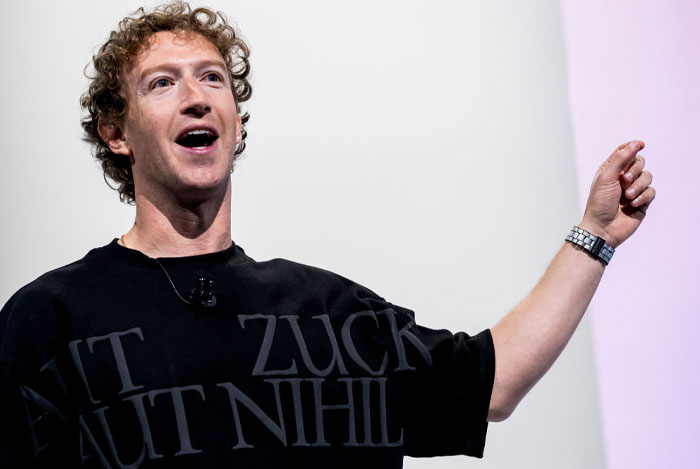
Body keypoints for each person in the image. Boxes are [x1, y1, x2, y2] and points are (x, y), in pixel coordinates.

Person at [0, 2, 655, 468]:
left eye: (212, 78)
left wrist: (595, 234)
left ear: (233, 117)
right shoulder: (50, 321)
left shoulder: (332, 315)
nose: (196, 97)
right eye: (162, 83)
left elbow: (494, 381)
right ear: (117, 134)